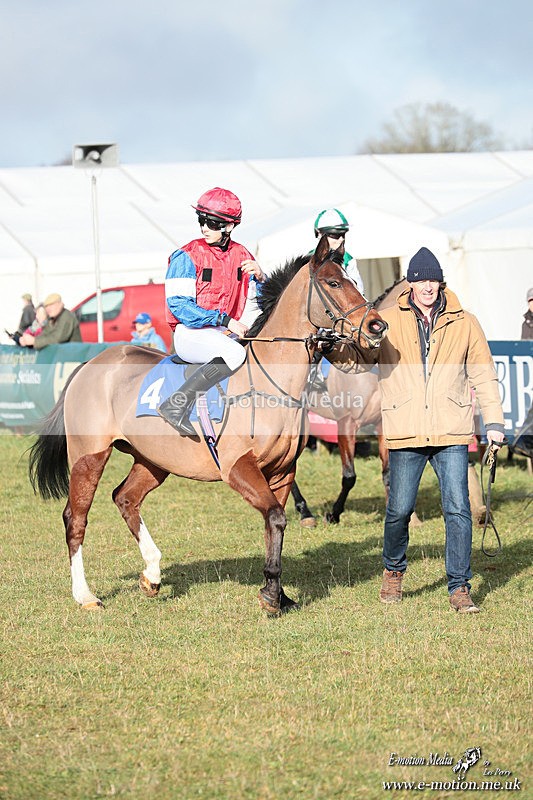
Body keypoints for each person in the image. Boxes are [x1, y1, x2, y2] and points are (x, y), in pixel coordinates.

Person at [376, 247, 505, 613]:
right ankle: (393, 571)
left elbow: (483, 372)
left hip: (451, 428)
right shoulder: (386, 319)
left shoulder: (466, 321)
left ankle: (459, 586)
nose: (427, 286)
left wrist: (494, 422)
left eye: (432, 279)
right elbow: (359, 359)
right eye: (419, 279)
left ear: (440, 281)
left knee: (458, 510)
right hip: (406, 428)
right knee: (399, 510)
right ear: (410, 283)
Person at [158, 187, 264, 435]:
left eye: (212, 223)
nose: (204, 227)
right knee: (236, 355)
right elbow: (179, 306)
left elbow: (261, 300)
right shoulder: (185, 255)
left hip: (223, 332)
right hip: (190, 332)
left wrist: (261, 277)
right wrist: (224, 320)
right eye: (201, 220)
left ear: (229, 227)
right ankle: (177, 404)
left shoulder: (242, 254)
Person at [307, 209, 366, 393]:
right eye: (334, 235)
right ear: (319, 234)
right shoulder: (307, 261)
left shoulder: (349, 261)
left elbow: (359, 292)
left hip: (342, 323)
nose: (340, 240)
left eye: (342, 235)